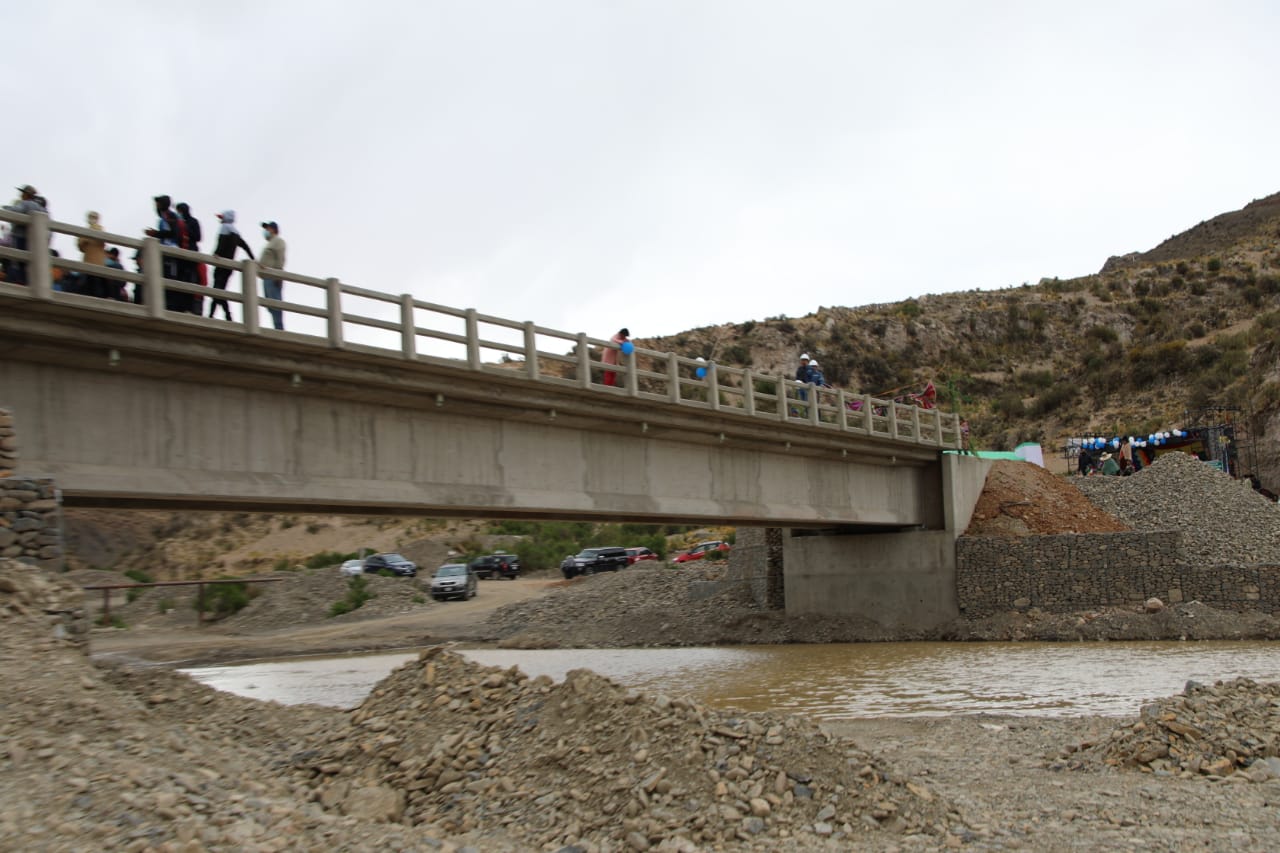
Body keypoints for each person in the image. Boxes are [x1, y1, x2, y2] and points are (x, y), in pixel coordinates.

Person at [144, 194, 193, 313]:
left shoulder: (170, 216)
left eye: (157, 203)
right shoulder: (166, 216)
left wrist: (154, 234)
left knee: (169, 277)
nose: (155, 206)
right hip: (165, 251)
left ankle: (171, 306)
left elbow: (171, 233)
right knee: (163, 276)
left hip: (170, 251)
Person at [209, 210, 254, 320]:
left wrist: (216, 253)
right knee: (221, 290)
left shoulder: (224, 228)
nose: (221, 219)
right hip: (229, 267)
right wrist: (253, 259)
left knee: (217, 290)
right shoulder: (236, 232)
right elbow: (245, 246)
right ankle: (220, 315)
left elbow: (221, 244)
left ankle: (219, 315)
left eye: (222, 217)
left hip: (221, 265)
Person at [3, 184, 47, 284]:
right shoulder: (42, 208)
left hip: (21, 237)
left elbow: (16, 211)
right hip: (36, 241)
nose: (21, 195)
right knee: (31, 264)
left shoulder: (26, 204)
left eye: (22, 193)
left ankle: (21, 282)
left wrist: (6, 208)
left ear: (26, 195)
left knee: (20, 262)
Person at [176, 202, 206, 314]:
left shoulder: (193, 221)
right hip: (181, 255)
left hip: (192, 254)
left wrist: (186, 228)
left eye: (179, 211)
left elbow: (198, 237)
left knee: (192, 279)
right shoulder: (178, 223)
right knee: (182, 279)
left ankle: (190, 307)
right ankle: (183, 307)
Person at [259, 221, 287, 330]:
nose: (266, 231)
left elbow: (280, 258)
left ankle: (279, 328)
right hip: (266, 277)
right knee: (269, 304)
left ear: (273, 229)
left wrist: (278, 274)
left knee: (275, 304)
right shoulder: (270, 243)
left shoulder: (278, 241)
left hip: (272, 276)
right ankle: (276, 326)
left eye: (268, 228)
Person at [77, 211, 107, 297]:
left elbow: (102, 241)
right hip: (88, 260)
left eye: (94, 217)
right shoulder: (85, 231)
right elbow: (80, 245)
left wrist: (87, 238)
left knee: (97, 285)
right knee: (87, 285)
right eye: (90, 217)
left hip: (98, 261)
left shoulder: (100, 229)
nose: (92, 219)